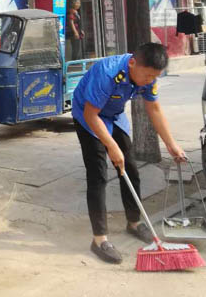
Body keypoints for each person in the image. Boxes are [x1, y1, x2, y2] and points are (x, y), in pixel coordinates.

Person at [71, 42, 186, 264]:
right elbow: (91, 114)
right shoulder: (107, 73)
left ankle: (133, 223)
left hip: (113, 115)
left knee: (130, 168)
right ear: (133, 63)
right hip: (88, 117)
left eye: (155, 76)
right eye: (148, 76)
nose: (150, 81)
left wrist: (171, 144)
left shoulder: (147, 77)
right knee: (98, 175)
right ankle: (99, 240)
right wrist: (111, 147)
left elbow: (154, 108)